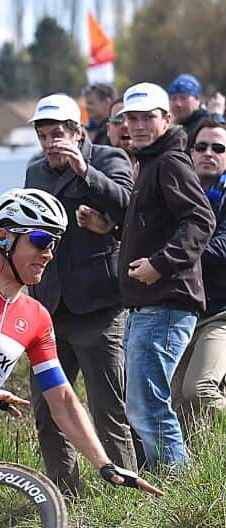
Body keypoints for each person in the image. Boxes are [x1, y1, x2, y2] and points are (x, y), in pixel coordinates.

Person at [0, 93, 136, 496]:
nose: (50, 143)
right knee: (47, 410)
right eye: (43, 136)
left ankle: (124, 493)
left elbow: (129, 209)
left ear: (78, 132)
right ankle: (64, 495)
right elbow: (23, 231)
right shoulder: (36, 171)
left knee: (107, 407)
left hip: (98, 307)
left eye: (57, 134)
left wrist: (85, 171)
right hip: (49, 309)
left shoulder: (109, 159)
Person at [114, 82, 214, 471]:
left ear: (167, 119)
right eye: (132, 118)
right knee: (143, 404)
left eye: (148, 118)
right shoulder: (150, 162)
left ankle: (176, 488)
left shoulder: (170, 161)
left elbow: (200, 220)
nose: (138, 126)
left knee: (148, 405)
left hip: (166, 303)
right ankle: (166, 484)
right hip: (149, 305)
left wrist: (160, 263)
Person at [171, 120, 226, 429]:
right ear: (190, 152)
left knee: (200, 390)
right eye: (201, 146)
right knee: (174, 403)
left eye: (219, 148)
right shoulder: (176, 191)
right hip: (183, 312)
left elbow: (222, 248)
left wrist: (172, 253)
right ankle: (196, 458)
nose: (209, 153)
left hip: (221, 313)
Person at [168, 74, 224, 153]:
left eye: (183, 98)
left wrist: (216, 116)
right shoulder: (177, 127)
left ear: (198, 100)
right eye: (173, 99)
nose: (178, 104)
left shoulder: (205, 122)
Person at [106, 98, 135, 166]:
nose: (125, 125)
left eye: (132, 119)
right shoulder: (95, 166)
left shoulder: (157, 166)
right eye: (118, 119)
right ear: (108, 129)